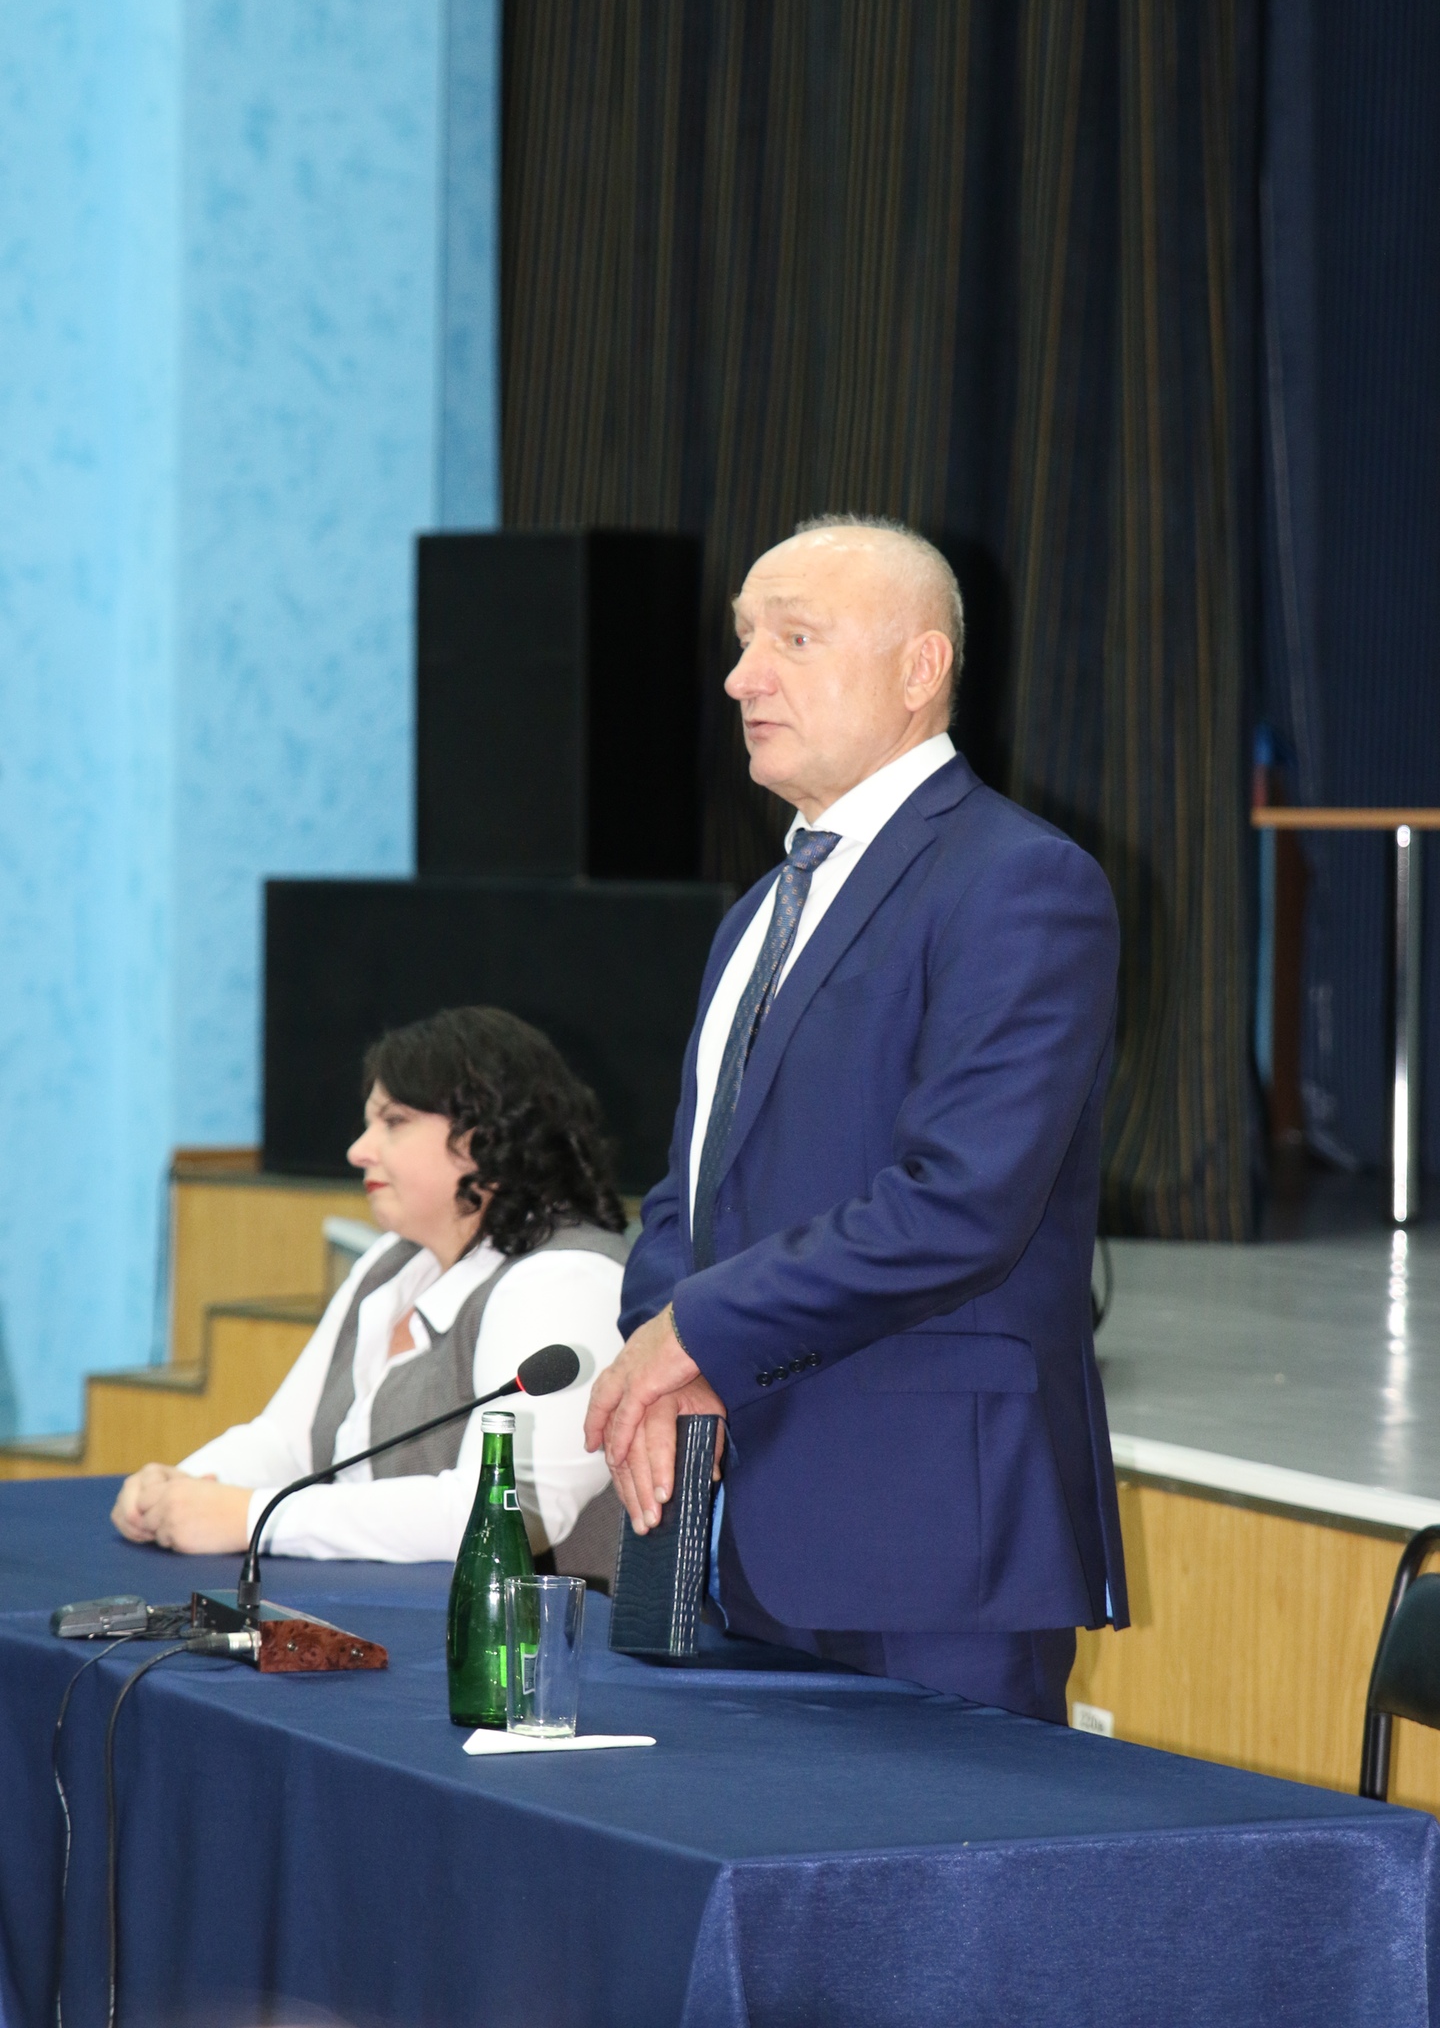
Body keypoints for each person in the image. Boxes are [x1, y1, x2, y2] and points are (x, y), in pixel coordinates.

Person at [584, 514, 1127, 1723]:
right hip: (742, 1528)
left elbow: (958, 1206)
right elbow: (691, 1188)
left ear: (920, 669)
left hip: (931, 1543)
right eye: (741, 641)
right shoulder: (757, 915)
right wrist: (662, 1350)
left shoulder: (1019, 883)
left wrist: (693, 1335)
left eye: (793, 639)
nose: (742, 677)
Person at [113, 1007, 627, 1563]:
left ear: (486, 1135)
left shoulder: (569, 1281)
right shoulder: (394, 1262)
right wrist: (178, 1489)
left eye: (394, 1122)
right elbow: (289, 1442)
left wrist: (258, 1518)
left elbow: (504, 1513)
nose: (358, 1150)